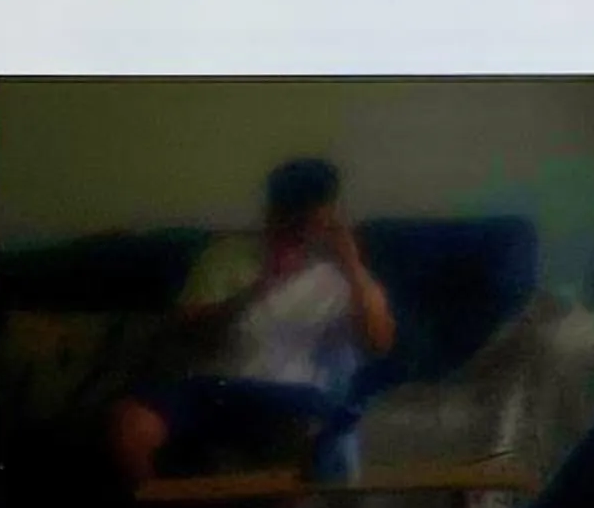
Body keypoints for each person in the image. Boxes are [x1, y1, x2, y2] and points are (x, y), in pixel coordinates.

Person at [111, 157, 396, 488]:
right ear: (272, 211)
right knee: (128, 425)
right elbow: (185, 332)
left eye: (308, 220)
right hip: (211, 387)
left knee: (316, 439)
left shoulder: (341, 276)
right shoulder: (227, 256)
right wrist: (256, 290)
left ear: (326, 217)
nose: (294, 230)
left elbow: (380, 343)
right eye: (287, 217)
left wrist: (352, 265)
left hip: (292, 395)